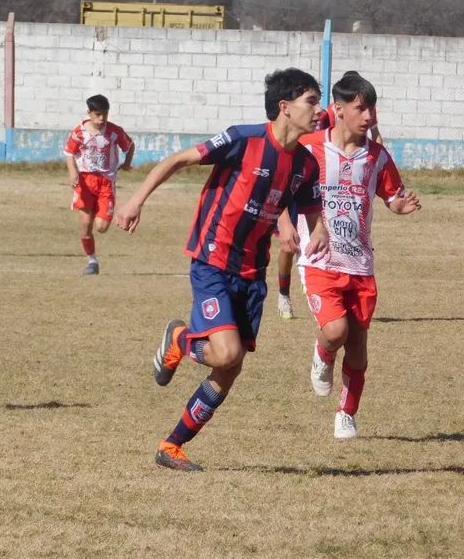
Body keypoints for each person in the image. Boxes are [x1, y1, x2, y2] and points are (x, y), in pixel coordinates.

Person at [115, 68, 330, 472]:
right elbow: (178, 159)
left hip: (252, 272)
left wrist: (318, 230)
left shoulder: (305, 163)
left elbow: (310, 208)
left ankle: (172, 445)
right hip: (213, 260)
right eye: (311, 102)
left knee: (229, 366)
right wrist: (136, 201)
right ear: (285, 108)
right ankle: (180, 338)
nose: (319, 110)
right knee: (226, 351)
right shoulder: (241, 138)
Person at [296, 73, 420, 440]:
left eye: (372, 109)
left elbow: (391, 196)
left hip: (360, 264)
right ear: (339, 109)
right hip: (320, 261)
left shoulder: (377, 156)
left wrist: (402, 206)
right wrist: (290, 227)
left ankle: (346, 414)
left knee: (359, 348)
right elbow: (286, 190)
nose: (368, 117)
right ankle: (323, 352)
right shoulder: (308, 148)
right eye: (360, 108)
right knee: (335, 331)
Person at [276, 70, 385, 320]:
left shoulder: (363, 115)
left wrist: (376, 126)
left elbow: (377, 150)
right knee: (289, 244)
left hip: (331, 189)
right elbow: (301, 140)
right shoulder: (323, 115)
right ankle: (283, 294)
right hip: (304, 183)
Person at [64, 94, 135, 275]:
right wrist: (73, 172)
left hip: (105, 182)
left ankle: (98, 209)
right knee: (85, 223)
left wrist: (126, 164)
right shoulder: (79, 132)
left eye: (104, 114)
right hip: (85, 182)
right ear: (89, 113)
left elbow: (130, 145)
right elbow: (69, 154)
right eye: (97, 114)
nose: (101, 118)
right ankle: (92, 261)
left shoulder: (114, 132)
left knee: (101, 227)